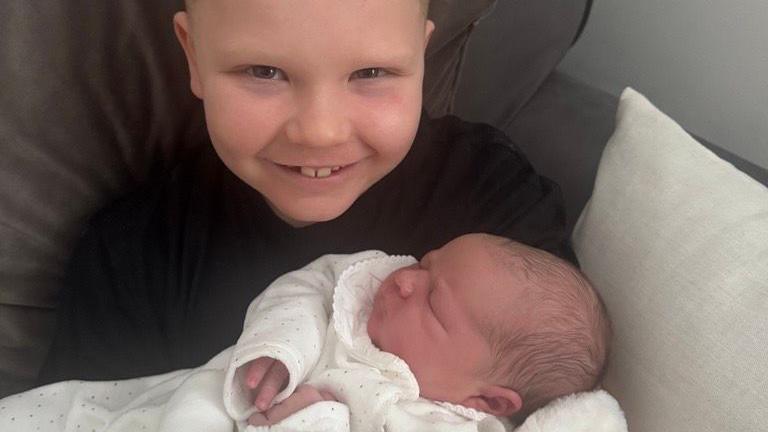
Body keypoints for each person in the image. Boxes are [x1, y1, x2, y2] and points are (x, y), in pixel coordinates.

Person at [39, 0, 571, 385]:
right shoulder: (132, 258)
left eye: (371, 72)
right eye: (264, 72)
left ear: (421, 57)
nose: (320, 132)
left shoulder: (492, 199)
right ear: (194, 57)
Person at [1, 234, 610, 432]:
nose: (403, 282)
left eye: (433, 303)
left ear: (484, 401)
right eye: (425, 265)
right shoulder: (362, 293)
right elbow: (307, 287)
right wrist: (282, 350)